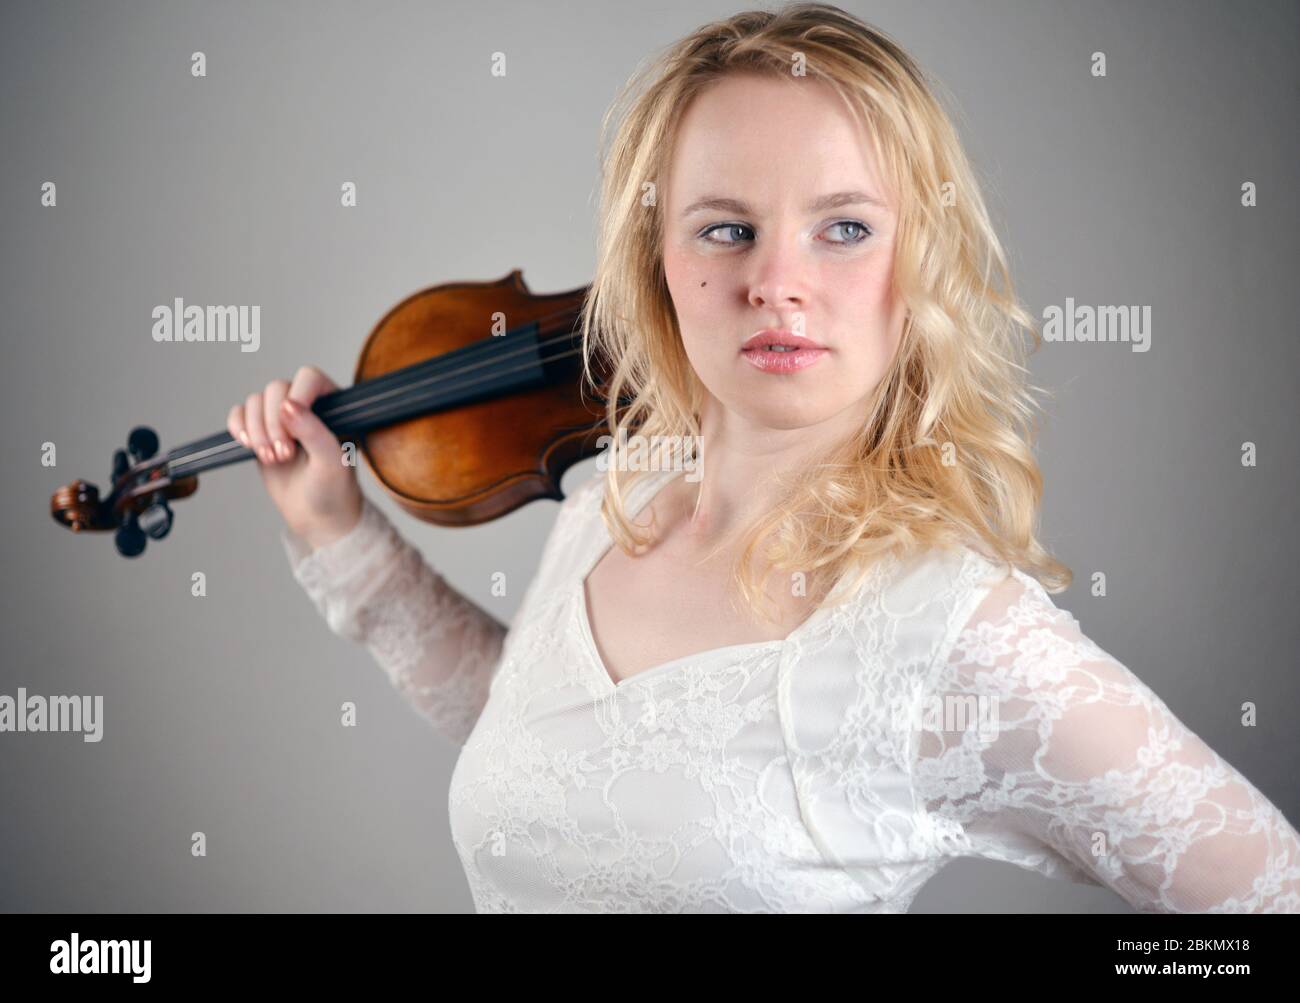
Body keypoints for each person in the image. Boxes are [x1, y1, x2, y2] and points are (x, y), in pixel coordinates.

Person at [226, 3, 1300, 913]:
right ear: (657, 265)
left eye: (842, 228)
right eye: (725, 229)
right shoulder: (615, 497)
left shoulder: (950, 634)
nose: (776, 281)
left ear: (916, 259)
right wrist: (337, 533)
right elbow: (542, 753)